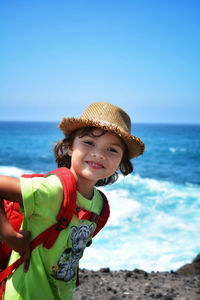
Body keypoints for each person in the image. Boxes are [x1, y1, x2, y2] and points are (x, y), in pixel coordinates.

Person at [0, 102, 145, 299]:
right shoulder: (54, 190)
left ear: (121, 161)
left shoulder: (100, 206)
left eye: (112, 150)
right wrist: (10, 237)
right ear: (69, 147)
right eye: (89, 143)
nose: (99, 154)